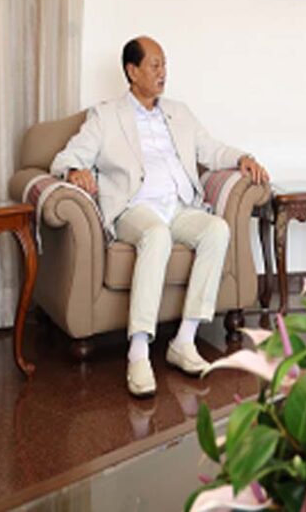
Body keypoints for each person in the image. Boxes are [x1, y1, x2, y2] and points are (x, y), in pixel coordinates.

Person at [51, 36, 269, 398]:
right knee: (157, 235)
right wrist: (75, 171)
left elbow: (210, 149)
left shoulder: (179, 113)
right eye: (154, 65)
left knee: (217, 230)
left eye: (164, 64)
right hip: (134, 208)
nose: (162, 72)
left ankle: (184, 340)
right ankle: (138, 352)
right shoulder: (106, 116)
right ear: (132, 71)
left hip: (179, 206)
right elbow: (66, 158)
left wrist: (242, 157)